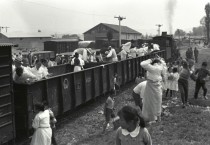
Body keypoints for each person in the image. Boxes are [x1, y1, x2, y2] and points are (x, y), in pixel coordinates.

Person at [140, 56, 166, 122]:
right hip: (158, 86)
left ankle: (150, 118)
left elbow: (142, 64)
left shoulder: (152, 68)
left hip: (150, 86)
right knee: (158, 101)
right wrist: (160, 59)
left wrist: (151, 59)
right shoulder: (160, 67)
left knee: (149, 102)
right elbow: (164, 64)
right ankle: (158, 118)